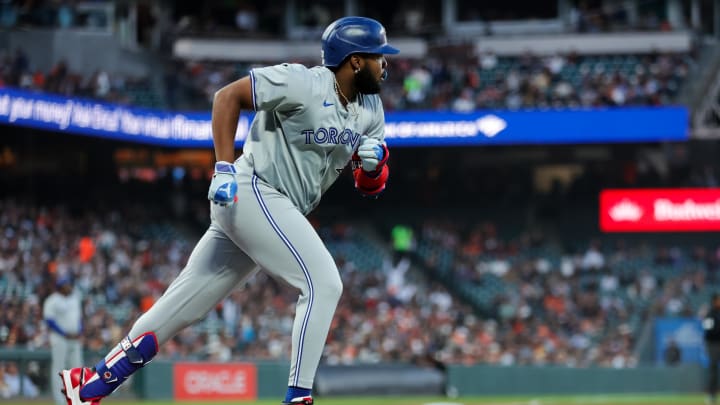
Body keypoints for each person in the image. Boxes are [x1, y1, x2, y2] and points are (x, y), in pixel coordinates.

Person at [59, 16, 399, 405]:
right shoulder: (302, 82)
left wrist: (374, 167)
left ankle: (89, 386)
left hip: (275, 210)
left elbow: (369, 184)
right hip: (252, 190)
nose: (385, 64)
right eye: (378, 56)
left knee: (183, 306)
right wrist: (222, 165)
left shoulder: (371, 108)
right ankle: (299, 397)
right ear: (355, 61)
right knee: (324, 283)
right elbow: (227, 97)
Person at [44, 275, 83, 405]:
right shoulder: (52, 300)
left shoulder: (75, 298)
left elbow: (79, 319)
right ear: (60, 287)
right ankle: (60, 401)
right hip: (60, 338)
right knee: (59, 369)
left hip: (74, 339)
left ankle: (77, 399)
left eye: (69, 284)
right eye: (66, 284)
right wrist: (64, 333)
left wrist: (80, 331)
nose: (69, 287)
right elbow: (49, 321)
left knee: (77, 369)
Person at [704, 293, 720, 405]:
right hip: (713, 344)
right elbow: (708, 331)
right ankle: (711, 395)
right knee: (713, 370)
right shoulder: (710, 314)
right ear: (714, 301)